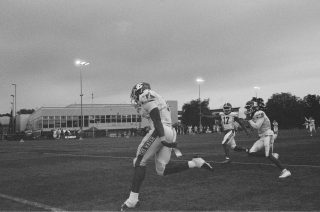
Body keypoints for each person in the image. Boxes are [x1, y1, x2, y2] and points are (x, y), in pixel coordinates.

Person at [121, 82, 213, 211]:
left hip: (161, 130)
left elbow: (156, 117)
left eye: (135, 94)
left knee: (139, 161)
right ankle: (196, 163)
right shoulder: (157, 97)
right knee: (162, 170)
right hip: (170, 131)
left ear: (139, 91)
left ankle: (132, 200)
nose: (135, 97)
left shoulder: (145, 96)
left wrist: (162, 138)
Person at [244, 100, 291, 178]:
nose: (248, 109)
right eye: (247, 108)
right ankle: (271, 155)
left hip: (268, 135)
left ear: (254, 107)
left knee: (267, 155)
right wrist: (248, 120)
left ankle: (285, 171)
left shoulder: (260, 113)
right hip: (262, 136)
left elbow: (257, 126)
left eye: (249, 107)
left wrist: (249, 119)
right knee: (251, 152)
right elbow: (253, 127)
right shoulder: (254, 115)